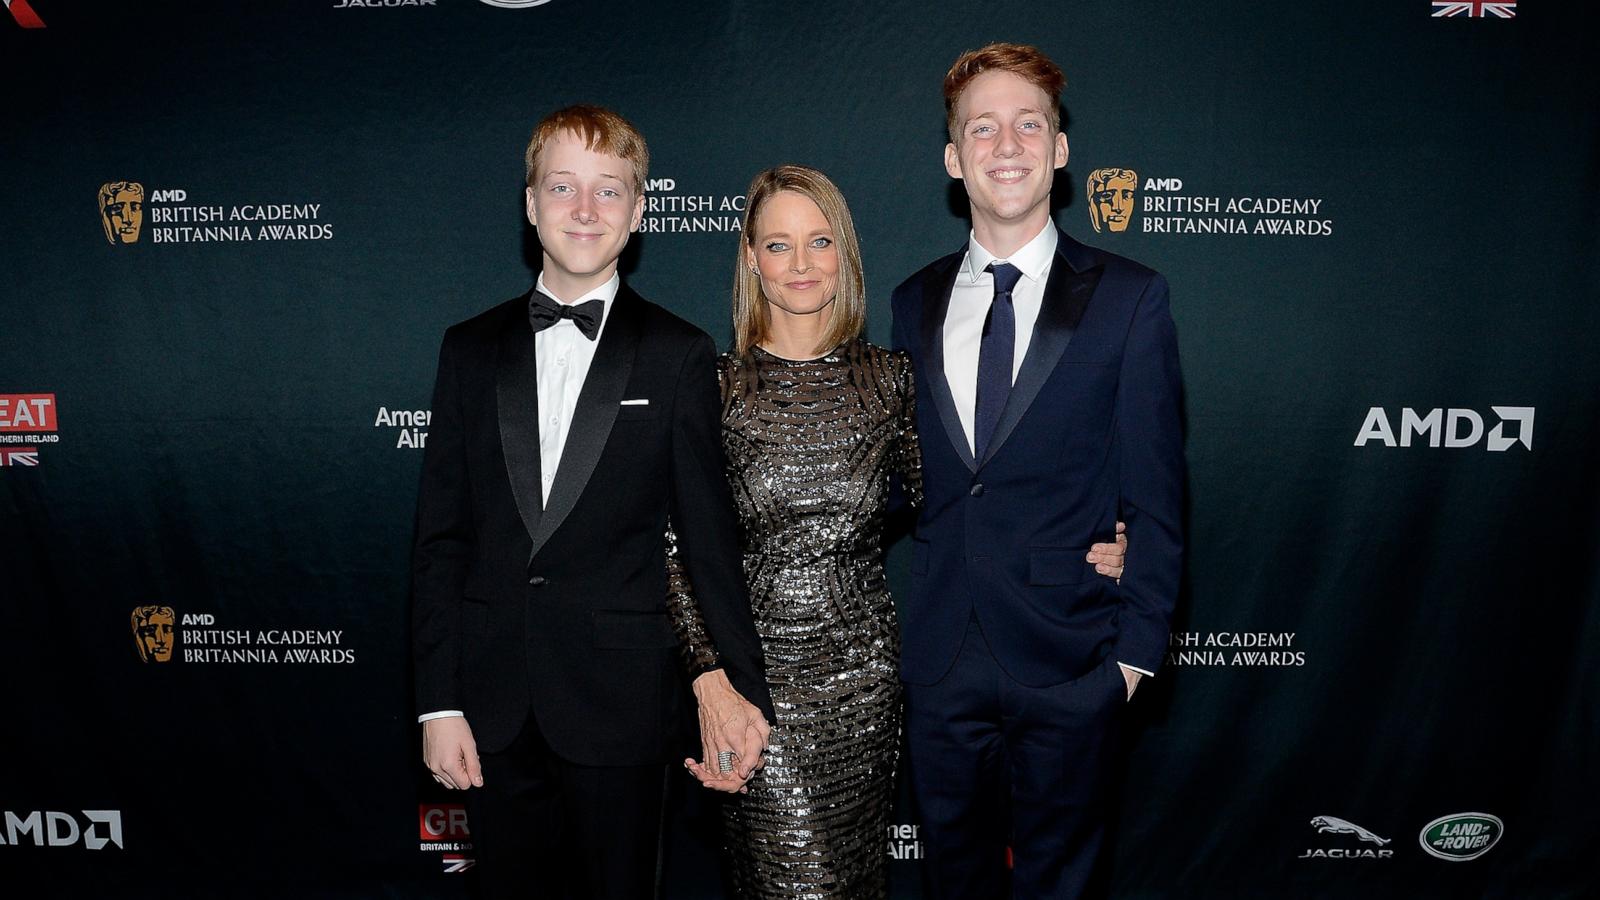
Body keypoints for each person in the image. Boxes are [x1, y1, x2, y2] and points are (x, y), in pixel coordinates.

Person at [668, 165, 1129, 899]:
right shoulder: (714, 388)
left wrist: (1095, 531)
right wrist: (711, 682)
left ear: (844, 254)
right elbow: (679, 548)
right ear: (751, 258)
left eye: (819, 242)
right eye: (778, 245)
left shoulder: (891, 381)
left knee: (853, 884)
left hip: (865, 679)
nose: (800, 264)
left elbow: (968, 499)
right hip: (754, 681)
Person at [409, 104, 773, 900]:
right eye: (563, 186)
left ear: (640, 213)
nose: (584, 209)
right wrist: (438, 702)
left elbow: (707, 542)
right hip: (491, 709)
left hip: (623, 706)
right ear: (530, 203)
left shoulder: (680, 354)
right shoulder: (468, 350)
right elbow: (441, 539)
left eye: (609, 191)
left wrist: (744, 692)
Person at [890, 43, 1184, 899]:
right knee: (954, 884)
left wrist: (1132, 656)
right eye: (983, 127)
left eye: (1029, 124)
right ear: (954, 159)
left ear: (1060, 150)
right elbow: (914, 473)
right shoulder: (914, 301)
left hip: (1075, 655)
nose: (1006, 144)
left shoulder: (1132, 296)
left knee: (1065, 885)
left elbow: (1159, 495)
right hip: (942, 658)